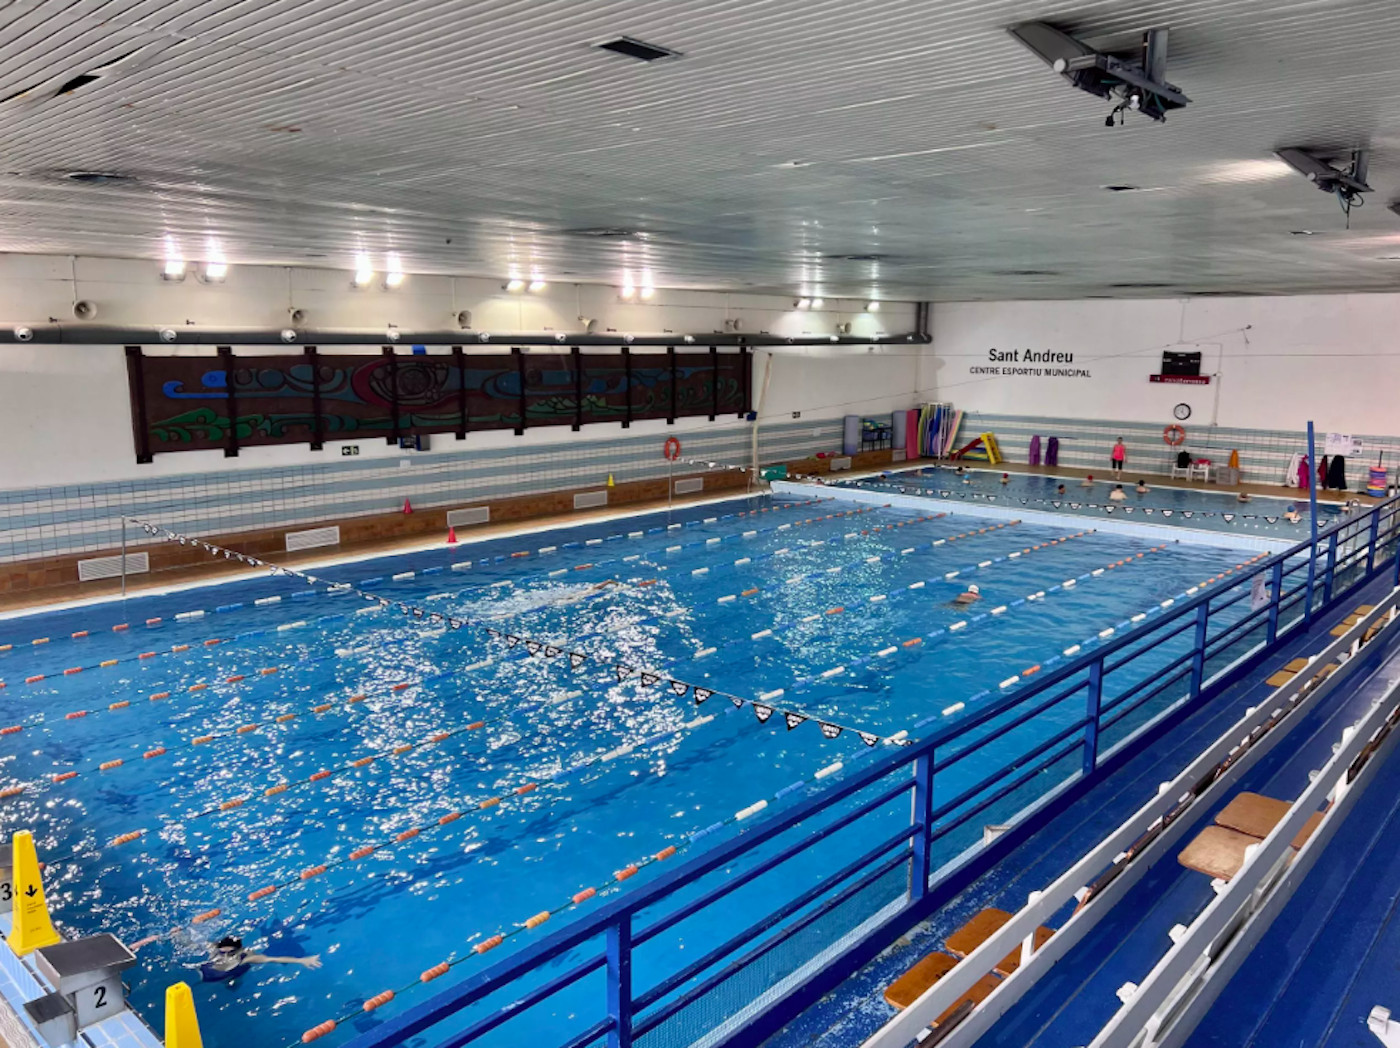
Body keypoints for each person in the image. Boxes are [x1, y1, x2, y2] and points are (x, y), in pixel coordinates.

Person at [199, 936, 320, 983]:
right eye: (222, 952)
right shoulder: (213, 948)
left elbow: (272, 959)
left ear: (238, 950)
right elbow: (192, 943)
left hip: (231, 973)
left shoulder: (246, 958)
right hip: (207, 972)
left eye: (231, 952)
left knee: (234, 984)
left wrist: (301, 960)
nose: (225, 956)